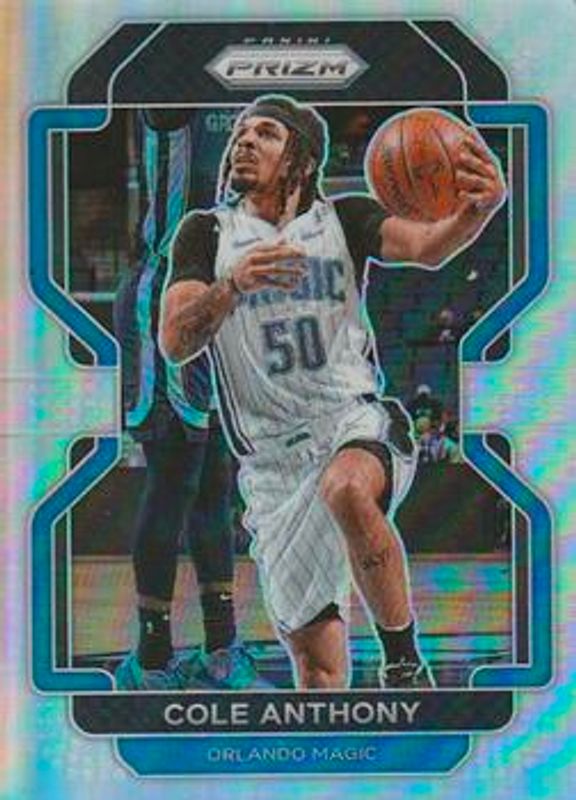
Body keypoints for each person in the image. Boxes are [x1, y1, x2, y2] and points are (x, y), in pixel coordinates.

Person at [159, 95, 506, 689]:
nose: (245, 141)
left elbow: (426, 246)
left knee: (346, 487)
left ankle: (404, 666)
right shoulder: (206, 232)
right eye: (241, 132)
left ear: (301, 157)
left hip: (352, 422)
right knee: (319, 674)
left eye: (266, 133)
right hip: (271, 468)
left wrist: (476, 211)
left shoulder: (344, 219)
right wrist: (231, 286)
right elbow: (174, 340)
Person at [113, 107, 268, 691]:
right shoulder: (179, 91)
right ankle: (151, 659)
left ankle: (221, 648)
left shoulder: (251, 104)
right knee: (175, 476)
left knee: (214, 485)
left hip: (222, 300)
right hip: (168, 295)